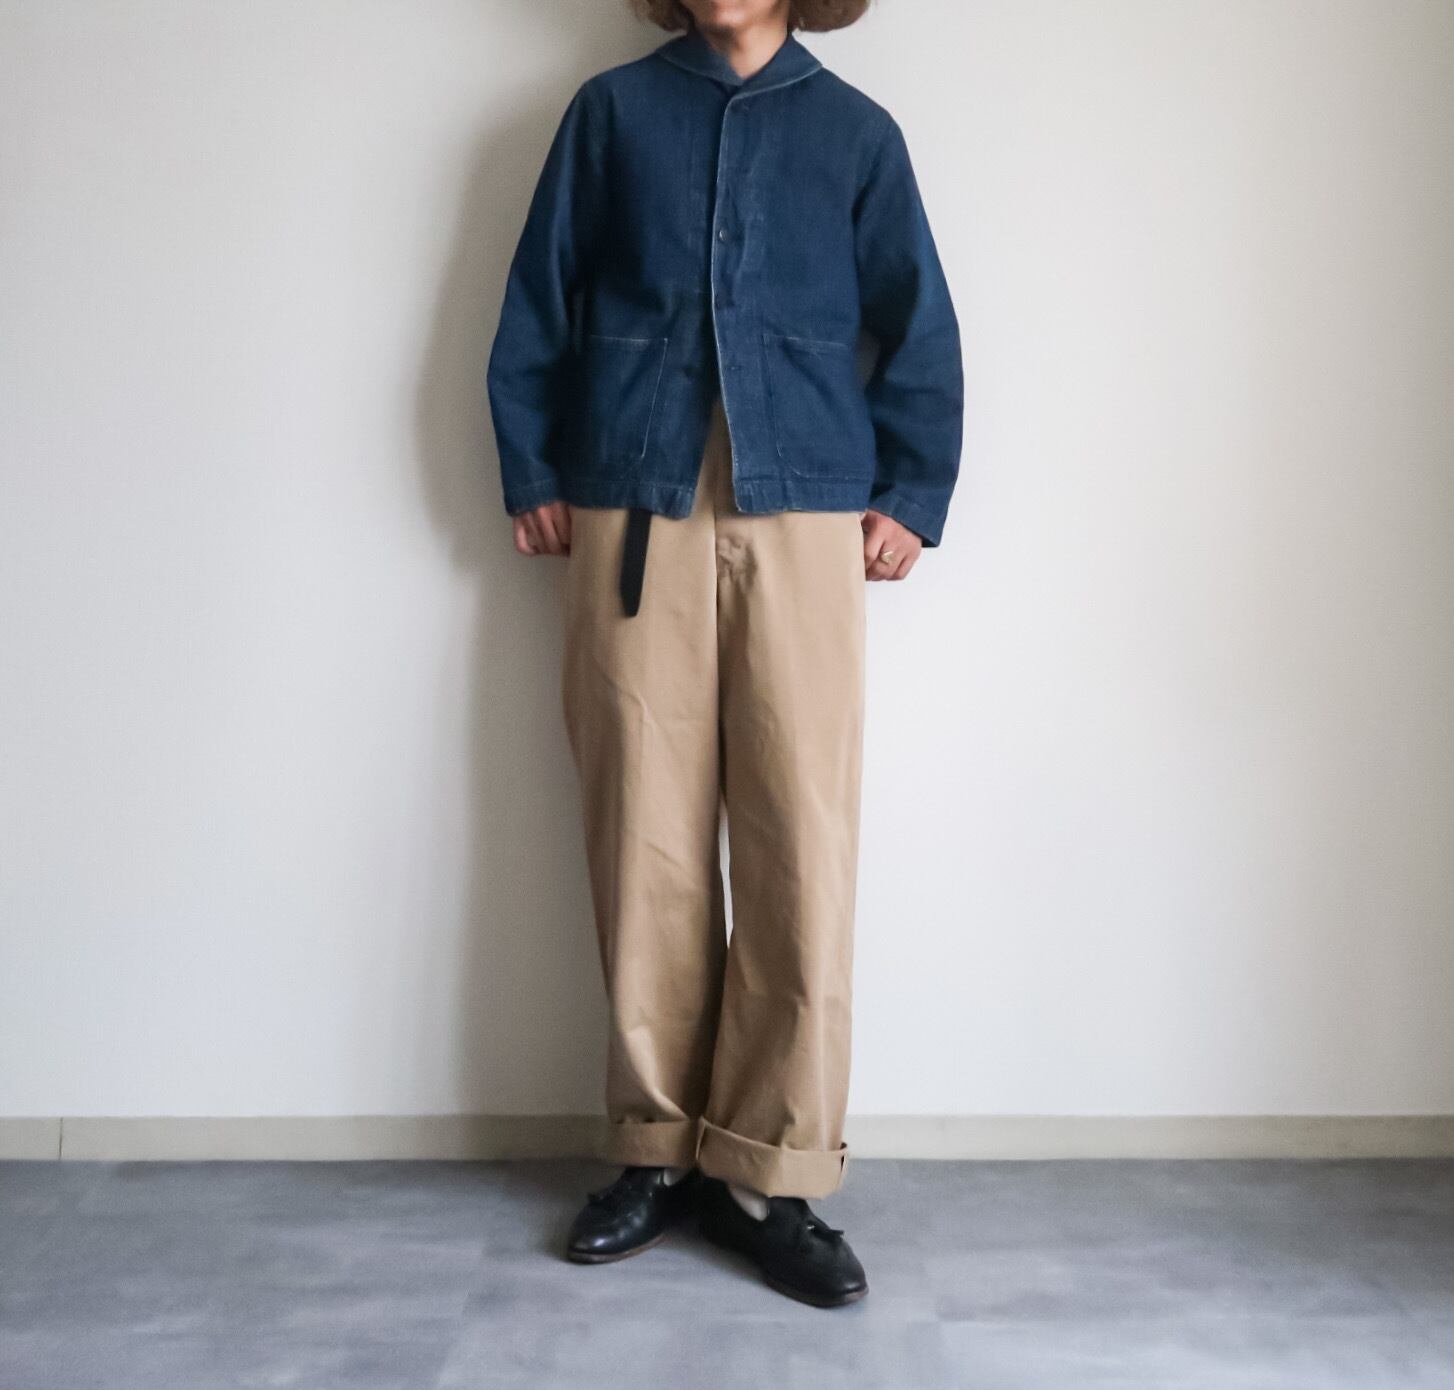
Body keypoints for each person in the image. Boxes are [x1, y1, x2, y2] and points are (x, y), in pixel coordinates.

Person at [486, 0, 962, 1308]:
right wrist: (531, 465)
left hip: (804, 506)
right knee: (640, 828)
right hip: (630, 498)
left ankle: (773, 1169)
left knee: (799, 828)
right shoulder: (611, 115)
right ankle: (655, 1148)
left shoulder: (855, 134)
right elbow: (538, 298)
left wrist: (912, 491)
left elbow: (917, 320)